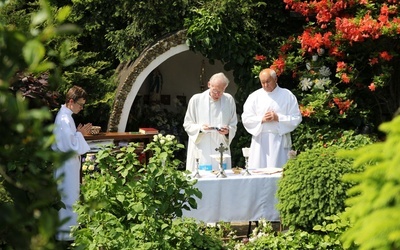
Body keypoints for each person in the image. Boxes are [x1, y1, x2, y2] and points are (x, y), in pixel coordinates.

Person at [51, 85, 92, 241]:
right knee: (67, 199)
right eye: (80, 104)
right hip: (65, 166)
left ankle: (68, 234)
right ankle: (66, 237)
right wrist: (80, 135)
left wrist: (77, 134)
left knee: (71, 197)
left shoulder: (66, 117)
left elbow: (68, 141)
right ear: (70, 101)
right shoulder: (63, 118)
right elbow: (70, 146)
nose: (81, 108)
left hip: (68, 166)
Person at [242, 68, 302, 169]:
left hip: (280, 139)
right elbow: (246, 118)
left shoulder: (287, 95)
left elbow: (296, 118)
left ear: (275, 79)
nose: (265, 85)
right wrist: (261, 119)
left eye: (268, 81)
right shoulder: (254, 97)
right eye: (262, 82)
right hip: (260, 142)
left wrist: (278, 118)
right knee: (258, 170)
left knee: (279, 170)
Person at [183, 72, 238, 172]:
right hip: (202, 146)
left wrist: (228, 131)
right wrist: (201, 129)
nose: (217, 94)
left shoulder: (229, 100)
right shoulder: (196, 100)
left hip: (220, 145)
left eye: (221, 92)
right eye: (215, 91)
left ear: (225, 88)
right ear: (209, 85)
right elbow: (187, 124)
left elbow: (233, 123)